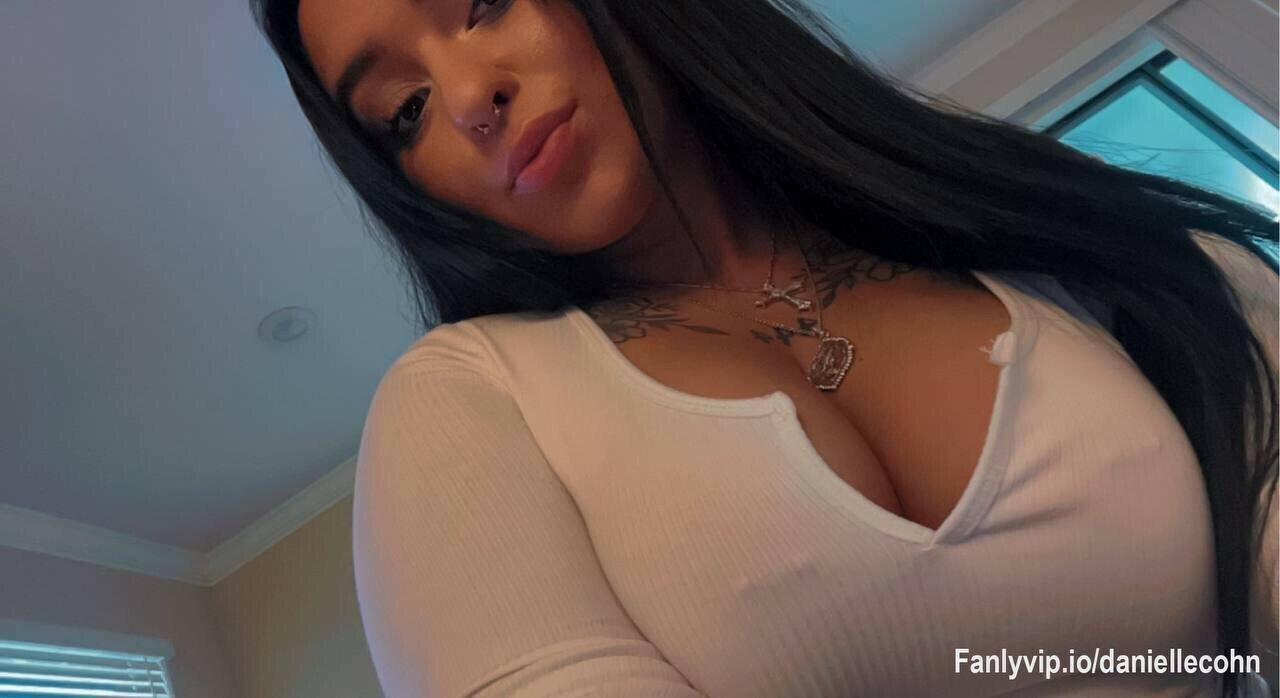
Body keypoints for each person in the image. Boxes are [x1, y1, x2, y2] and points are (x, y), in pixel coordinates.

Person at [250, 0, 1279, 695]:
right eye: (404, 111)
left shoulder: (1096, 260)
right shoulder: (473, 400)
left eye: (481, 1)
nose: (469, 98)